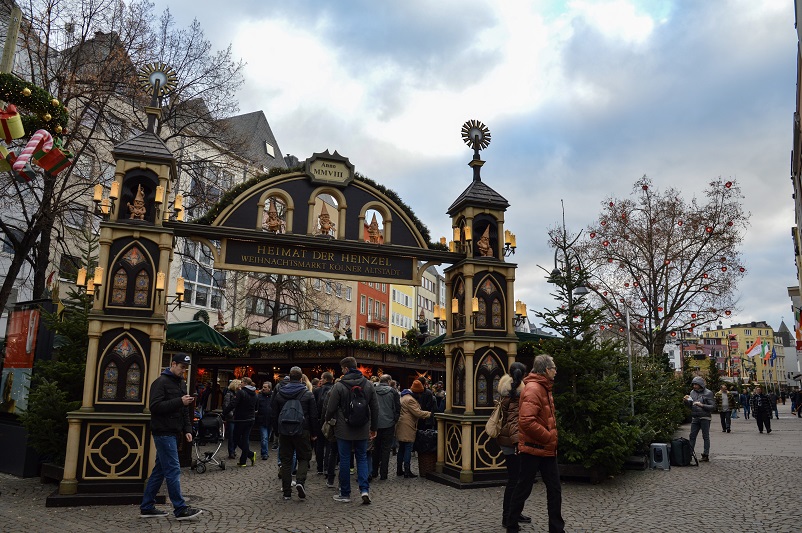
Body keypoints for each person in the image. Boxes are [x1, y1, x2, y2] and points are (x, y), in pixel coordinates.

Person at [139, 353, 203, 520]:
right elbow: (155, 406)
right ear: (173, 364)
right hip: (163, 431)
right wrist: (179, 402)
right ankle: (180, 509)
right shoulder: (160, 382)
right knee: (173, 470)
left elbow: (184, 409)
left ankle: (147, 506)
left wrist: (188, 429)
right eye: (182, 367)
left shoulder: (181, 383)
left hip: (173, 431)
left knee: (159, 471)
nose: (183, 371)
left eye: (185, 368)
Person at [506, 354, 564, 533]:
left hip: (544, 449)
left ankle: (556, 528)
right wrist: (548, 437)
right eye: (554, 368)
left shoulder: (544, 387)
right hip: (534, 448)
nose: (556, 371)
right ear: (546, 370)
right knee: (524, 487)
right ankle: (511, 524)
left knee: (554, 489)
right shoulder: (533, 389)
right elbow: (527, 421)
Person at [324, 356, 379, 504]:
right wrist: (374, 427)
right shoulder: (368, 384)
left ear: (346, 369)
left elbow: (331, 408)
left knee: (345, 459)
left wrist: (328, 420)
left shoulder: (339, 385)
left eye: (342, 369)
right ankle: (364, 490)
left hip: (343, 428)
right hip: (362, 427)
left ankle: (345, 493)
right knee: (361, 458)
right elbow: (375, 407)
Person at [271, 366, 316, 501]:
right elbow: (313, 416)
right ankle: (300, 482)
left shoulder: (280, 393)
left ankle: (286, 492)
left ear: (289, 378)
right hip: (303, 429)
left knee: (286, 461)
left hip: (284, 430)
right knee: (304, 457)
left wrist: (276, 431)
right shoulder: (308, 394)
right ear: (301, 379)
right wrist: (314, 433)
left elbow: (274, 414)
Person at [498, 362, 531, 529]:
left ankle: (514, 513)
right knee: (515, 481)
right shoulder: (517, 394)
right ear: (523, 375)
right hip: (513, 442)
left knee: (516, 479)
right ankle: (508, 517)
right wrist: (518, 443)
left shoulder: (506, 389)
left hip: (507, 440)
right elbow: (513, 420)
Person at [395, 380, 431, 478]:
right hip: (408, 425)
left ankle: (399, 469)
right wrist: (430, 414)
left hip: (402, 424)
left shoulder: (403, 396)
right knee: (408, 448)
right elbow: (417, 413)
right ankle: (407, 471)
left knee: (401, 448)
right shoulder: (410, 399)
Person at [223, 376, 258, 467]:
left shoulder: (241, 392)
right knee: (245, 439)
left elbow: (233, 404)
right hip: (251, 419)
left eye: (242, 382)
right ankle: (243, 461)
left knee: (236, 439)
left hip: (241, 419)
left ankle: (249, 454)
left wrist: (224, 413)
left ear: (245, 383)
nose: (240, 384)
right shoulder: (254, 394)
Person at [373, 374, 401, 480]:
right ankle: (383, 474)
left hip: (376, 424)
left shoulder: (374, 390)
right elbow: (397, 407)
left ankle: (374, 471)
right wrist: (394, 419)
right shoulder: (393, 392)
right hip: (389, 423)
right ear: (389, 381)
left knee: (375, 449)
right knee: (386, 450)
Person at [684, 376, 714, 462]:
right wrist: (686, 401)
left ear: (700, 384)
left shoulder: (708, 393)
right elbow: (690, 405)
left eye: (696, 384)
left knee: (705, 436)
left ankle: (705, 454)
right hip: (695, 417)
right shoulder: (692, 392)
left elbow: (713, 406)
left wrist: (702, 405)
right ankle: (689, 454)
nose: (694, 386)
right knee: (692, 436)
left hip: (705, 417)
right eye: (693, 384)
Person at [222, 379, 240, 459]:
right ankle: (231, 451)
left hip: (237, 417)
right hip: (232, 418)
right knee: (232, 435)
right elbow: (226, 406)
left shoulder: (238, 394)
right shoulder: (229, 394)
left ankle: (233, 450)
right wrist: (231, 415)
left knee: (236, 435)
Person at [256, 381, 273, 460]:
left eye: (265, 387)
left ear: (269, 388)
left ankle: (264, 450)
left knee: (267, 437)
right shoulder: (259, 396)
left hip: (270, 420)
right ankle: (264, 453)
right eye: (263, 387)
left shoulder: (273, 397)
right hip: (262, 419)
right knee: (264, 437)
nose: (263, 388)